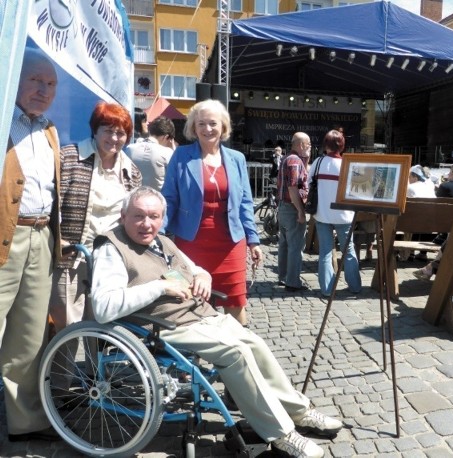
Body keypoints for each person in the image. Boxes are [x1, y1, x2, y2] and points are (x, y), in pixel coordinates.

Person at [92, 187, 341, 457]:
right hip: (162, 325)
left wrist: (203, 277)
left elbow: (194, 268)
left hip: (199, 315)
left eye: (154, 216)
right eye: (138, 216)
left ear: (163, 217)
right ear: (123, 215)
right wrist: (159, 288)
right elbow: (104, 308)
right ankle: (281, 433)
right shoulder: (111, 249)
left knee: (254, 342)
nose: (147, 223)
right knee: (236, 353)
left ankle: (299, 411)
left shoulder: (161, 241)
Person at [0, 47, 62, 442]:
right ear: (14, 80)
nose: (43, 89)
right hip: (5, 236)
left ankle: (25, 420)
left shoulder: (50, 129)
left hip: (41, 237)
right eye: (35, 80)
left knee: (29, 334)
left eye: (50, 84)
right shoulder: (2, 121)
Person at [162, 99, 262, 326]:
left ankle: (238, 352)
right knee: (196, 302)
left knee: (236, 302)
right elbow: (169, 198)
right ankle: (201, 355)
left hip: (231, 243)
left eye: (213, 123)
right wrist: (158, 234)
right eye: (201, 124)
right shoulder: (181, 156)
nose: (207, 129)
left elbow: (245, 202)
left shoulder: (237, 159)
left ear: (223, 126)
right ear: (193, 128)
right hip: (192, 242)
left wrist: (253, 241)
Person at [50, 101, 142, 336]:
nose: (114, 138)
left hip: (109, 260)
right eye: (108, 130)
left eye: (121, 132)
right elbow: (51, 203)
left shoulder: (131, 172)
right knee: (66, 325)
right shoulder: (69, 157)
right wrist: (56, 239)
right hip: (71, 256)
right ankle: (63, 373)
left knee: (102, 324)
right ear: (95, 130)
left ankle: (94, 374)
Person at [308, 130, 361, 297]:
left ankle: (326, 289)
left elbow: (310, 184)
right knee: (349, 250)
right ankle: (355, 286)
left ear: (325, 145)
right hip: (344, 215)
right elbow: (356, 190)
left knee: (325, 251)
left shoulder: (317, 162)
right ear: (342, 146)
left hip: (322, 213)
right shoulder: (348, 164)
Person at [277, 131, 311, 291]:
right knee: (295, 246)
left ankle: (283, 276)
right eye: (309, 144)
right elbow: (293, 188)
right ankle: (292, 281)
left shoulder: (287, 159)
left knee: (284, 244)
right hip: (292, 208)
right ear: (302, 145)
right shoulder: (295, 161)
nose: (310, 147)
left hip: (283, 207)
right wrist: (301, 211)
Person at [127, 116, 176, 192]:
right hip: (157, 198)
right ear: (166, 137)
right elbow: (176, 175)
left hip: (133, 197)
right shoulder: (167, 152)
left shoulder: (129, 149)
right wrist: (174, 149)